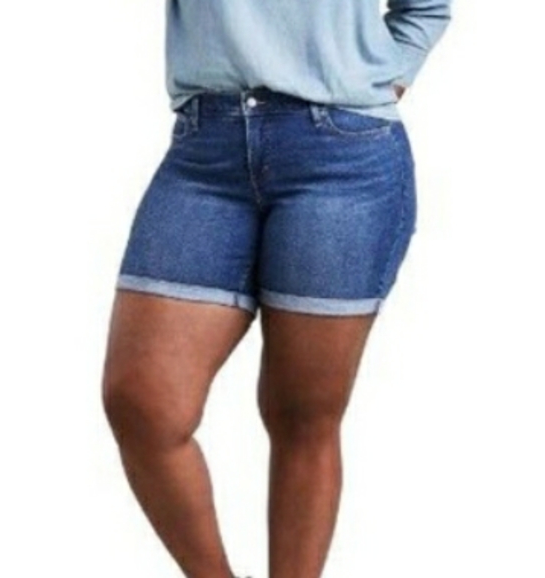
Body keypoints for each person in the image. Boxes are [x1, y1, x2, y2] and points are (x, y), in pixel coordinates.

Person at [101, 2, 452, 578]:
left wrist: (383, 77)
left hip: (342, 155)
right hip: (204, 151)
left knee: (300, 413)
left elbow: (427, 7)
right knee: (142, 403)